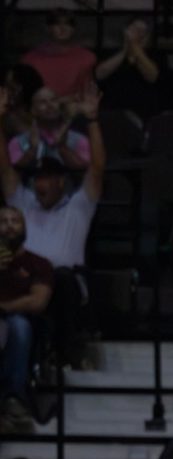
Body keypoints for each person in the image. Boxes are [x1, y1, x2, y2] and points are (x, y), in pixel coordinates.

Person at [0, 83, 104, 371]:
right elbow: (5, 169)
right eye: (36, 179)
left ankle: (65, 352)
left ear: (60, 182)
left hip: (67, 280)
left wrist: (93, 121)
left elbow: (96, 168)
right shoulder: (24, 201)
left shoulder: (78, 205)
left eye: (46, 179)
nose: (38, 184)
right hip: (25, 279)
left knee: (61, 279)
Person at [0, 206, 53, 432]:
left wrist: (4, 307)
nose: (10, 225)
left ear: (24, 228)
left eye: (15, 220)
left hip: (19, 325)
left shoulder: (38, 264)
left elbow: (38, 301)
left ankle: (14, 397)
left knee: (18, 326)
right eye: (3, 221)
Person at [94, 19, 167, 126]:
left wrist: (136, 48)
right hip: (113, 114)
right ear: (125, 32)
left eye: (142, 31)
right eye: (134, 29)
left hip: (144, 116)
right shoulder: (110, 53)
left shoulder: (156, 55)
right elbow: (99, 73)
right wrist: (125, 51)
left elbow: (152, 76)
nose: (138, 34)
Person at [20, 8, 96, 100]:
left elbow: (88, 93)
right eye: (57, 23)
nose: (62, 28)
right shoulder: (30, 59)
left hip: (74, 109)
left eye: (68, 24)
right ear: (48, 28)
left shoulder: (87, 58)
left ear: (73, 29)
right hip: (40, 110)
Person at [7, 87, 91, 169]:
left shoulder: (79, 139)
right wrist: (32, 149)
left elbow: (86, 170)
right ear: (33, 110)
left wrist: (62, 147)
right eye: (43, 102)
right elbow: (11, 172)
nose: (50, 105)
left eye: (54, 100)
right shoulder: (18, 142)